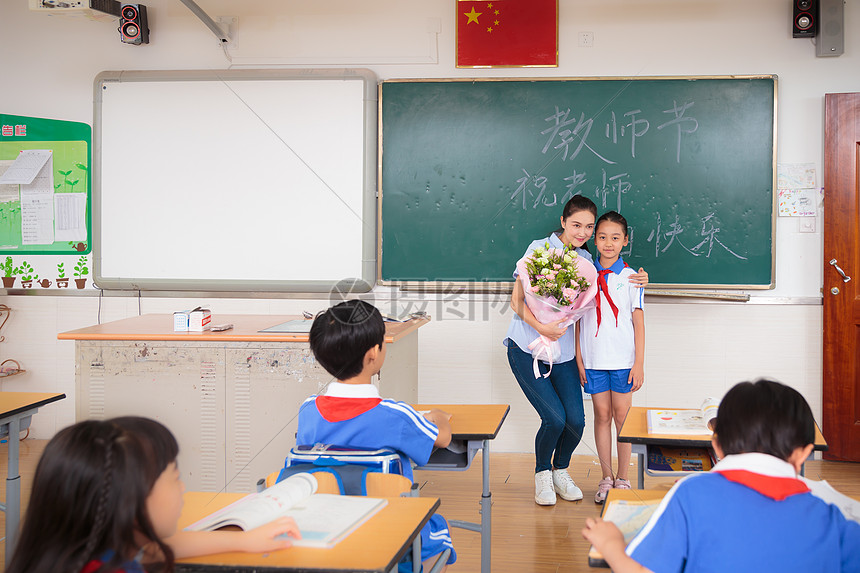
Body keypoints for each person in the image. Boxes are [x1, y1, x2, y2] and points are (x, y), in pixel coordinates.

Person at [582, 379, 860, 572]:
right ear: (804, 453)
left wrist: (611, 545)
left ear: (715, 445)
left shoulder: (690, 494)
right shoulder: (833, 519)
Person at [7, 416, 300, 573]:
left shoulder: (78, 550)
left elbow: (157, 548)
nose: (184, 488)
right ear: (130, 499)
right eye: (175, 477)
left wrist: (244, 540)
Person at [504, 195, 648, 506]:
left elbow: (605, 297)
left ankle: (561, 470)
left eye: (588, 227)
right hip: (528, 348)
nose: (582, 232)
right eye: (576, 225)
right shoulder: (539, 250)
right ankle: (543, 473)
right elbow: (516, 301)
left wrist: (641, 278)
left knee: (577, 421)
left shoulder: (587, 261)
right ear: (562, 222)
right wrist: (542, 328)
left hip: (564, 353)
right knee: (555, 419)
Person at [297, 299, 456, 572]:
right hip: (391, 534)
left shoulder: (308, 410)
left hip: (326, 532)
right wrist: (439, 415)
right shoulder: (394, 414)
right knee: (441, 532)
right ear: (373, 353)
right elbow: (442, 439)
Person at [575, 210, 645, 503]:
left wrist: (638, 363)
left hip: (622, 362)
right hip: (593, 360)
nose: (608, 243)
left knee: (622, 418)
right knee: (601, 416)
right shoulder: (583, 273)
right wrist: (579, 358)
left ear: (625, 241)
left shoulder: (632, 278)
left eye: (615, 238)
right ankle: (606, 477)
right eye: (602, 237)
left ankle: (624, 479)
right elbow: (576, 318)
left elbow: (638, 321)